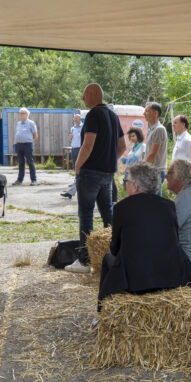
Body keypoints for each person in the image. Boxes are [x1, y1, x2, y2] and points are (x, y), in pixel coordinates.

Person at [98, 161, 191, 310]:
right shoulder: (169, 206)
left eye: (127, 181)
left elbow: (115, 248)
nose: (125, 184)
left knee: (108, 258)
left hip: (137, 282)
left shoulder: (122, 208)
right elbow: (173, 241)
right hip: (170, 277)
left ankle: (102, 311)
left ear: (135, 186)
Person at [65, 83, 126, 273]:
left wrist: (78, 166)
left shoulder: (93, 115)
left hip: (90, 173)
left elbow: (88, 144)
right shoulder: (113, 116)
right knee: (108, 214)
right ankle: (115, 254)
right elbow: (123, 146)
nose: (83, 99)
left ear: (93, 95)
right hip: (108, 173)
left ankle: (84, 261)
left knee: (86, 214)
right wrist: (108, 160)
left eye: (84, 95)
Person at [144, 102, 168, 196]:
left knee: (155, 201)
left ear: (156, 113)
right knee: (151, 201)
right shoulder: (151, 129)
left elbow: (152, 154)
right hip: (151, 170)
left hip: (155, 171)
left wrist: (141, 168)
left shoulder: (159, 129)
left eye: (147, 111)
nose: (144, 113)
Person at [13, 107, 38, 186]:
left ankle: (34, 180)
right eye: (20, 113)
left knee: (30, 162)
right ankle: (19, 180)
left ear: (27, 115)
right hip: (19, 144)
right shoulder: (18, 123)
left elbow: (35, 135)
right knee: (20, 163)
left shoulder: (31, 123)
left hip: (27, 144)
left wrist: (28, 140)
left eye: (23, 113)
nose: (21, 115)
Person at [61, 113, 83, 199]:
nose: (75, 120)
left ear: (80, 119)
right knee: (75, 167)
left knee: (79, 169)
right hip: (73, 149)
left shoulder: (83, 127)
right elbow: (70, 139)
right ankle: (75, 184)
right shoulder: (73, 128)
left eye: (77, 118)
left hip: (80, 149)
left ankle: (72, 190)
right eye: (74, 118)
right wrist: (70, 137)